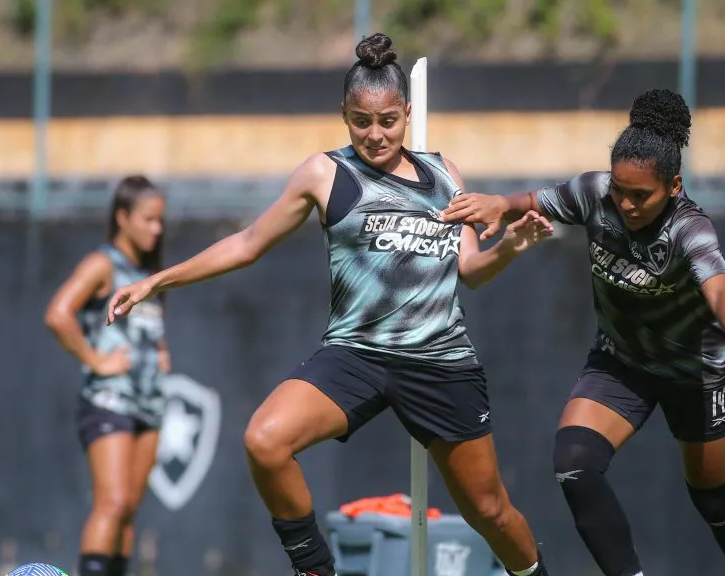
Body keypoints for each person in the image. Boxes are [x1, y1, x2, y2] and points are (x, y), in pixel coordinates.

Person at [104, 33, 555, 576]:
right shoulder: (326, 173)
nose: (375, 134)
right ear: (345, 115)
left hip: (440, 361)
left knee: (491, 511)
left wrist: (512, 245)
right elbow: (248, 243)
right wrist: (157, 281)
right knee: (265, 441)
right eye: (361, 121)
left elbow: (471, 272)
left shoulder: (444, 175)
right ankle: (316, 569)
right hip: (355, 355)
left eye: (388, 120)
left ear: (407, 113)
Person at [441, 88, 725, 576]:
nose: (626, 204)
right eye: (619, 192)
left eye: (641, 195)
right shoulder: (593, 192)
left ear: (673, 186)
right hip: (621, 364)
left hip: (695, 375)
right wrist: (499, 204)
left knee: (714, 501)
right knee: (574, 464)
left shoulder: (690, 230)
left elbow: (719, 288)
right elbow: (535, 199)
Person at [44, 175, 171, 576]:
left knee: (129, 511)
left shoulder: (148, 274)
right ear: (122, 217)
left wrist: (162, 353)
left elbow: (149, 329)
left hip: (149, 403)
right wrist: (95, 359)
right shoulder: (103, 264)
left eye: (159, 220)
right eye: (148, 219)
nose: (157, 228)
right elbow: (57, 314)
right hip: (109, 401)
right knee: (111, 503)